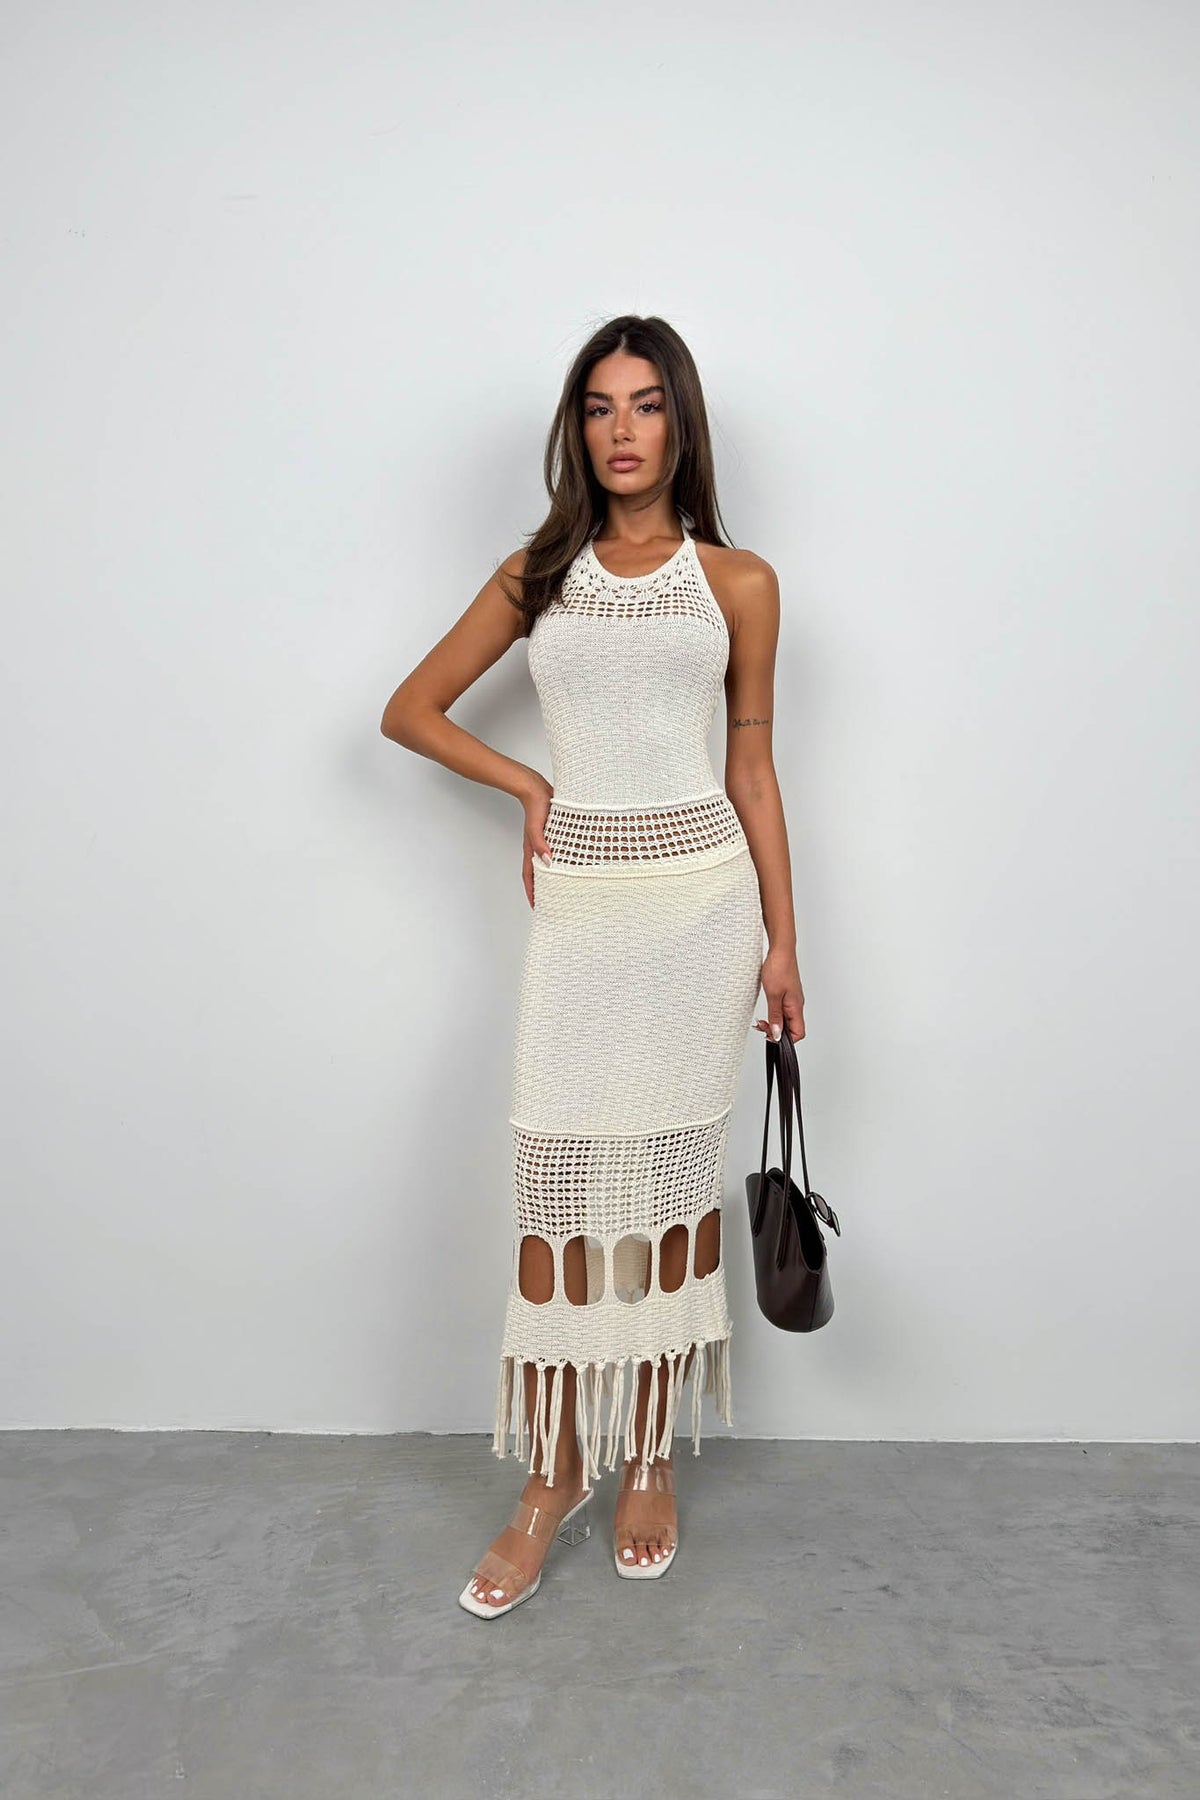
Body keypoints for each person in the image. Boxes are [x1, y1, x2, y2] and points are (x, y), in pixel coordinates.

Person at [380, 314, 805, 1618]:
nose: (623, 430)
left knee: (667, 1184)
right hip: (581, 915)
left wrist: (785, 944)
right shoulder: (537, 575)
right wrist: (528, 786)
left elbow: (751, 772)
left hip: (700, 915)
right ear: (577, 428)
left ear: (682, 424)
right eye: (601, 406)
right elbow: (409, 710)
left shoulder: (739, 582)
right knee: (562, 1194)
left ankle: (649, 1459)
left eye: (647, 404)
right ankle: (553, 1468)